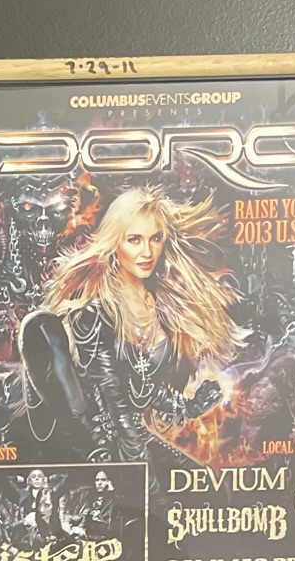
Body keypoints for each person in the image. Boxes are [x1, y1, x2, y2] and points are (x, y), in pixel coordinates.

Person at [18, 185, 243, 462]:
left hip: (133, 433)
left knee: (198, 480)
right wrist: (132, 461)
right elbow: (112, 394)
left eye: (155, 238)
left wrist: (188, 406)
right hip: (97, 441)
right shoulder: (95, 310)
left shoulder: (165, 307)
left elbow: (139, 383)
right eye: (134, 240)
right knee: (40, 325)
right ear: (116, 243)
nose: (147, 252)